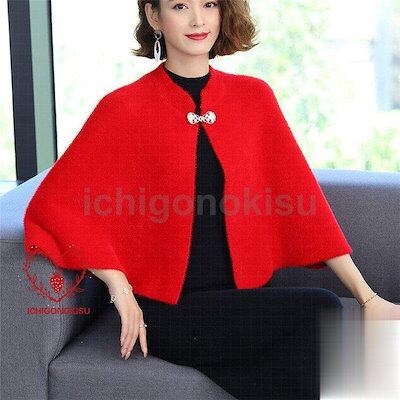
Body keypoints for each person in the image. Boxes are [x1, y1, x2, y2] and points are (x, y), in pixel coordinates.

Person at [23, 1, 399, 399]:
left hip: (242, 303)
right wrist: (120, 286)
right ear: (154, 16)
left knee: (310, 354)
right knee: (321, 312)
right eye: (180, 6)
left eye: (209, 4)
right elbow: (53, 206)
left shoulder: (254, 98)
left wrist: (368, 298)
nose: (198, 19)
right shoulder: (122, 107)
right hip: (169, 312)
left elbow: (303, 203)